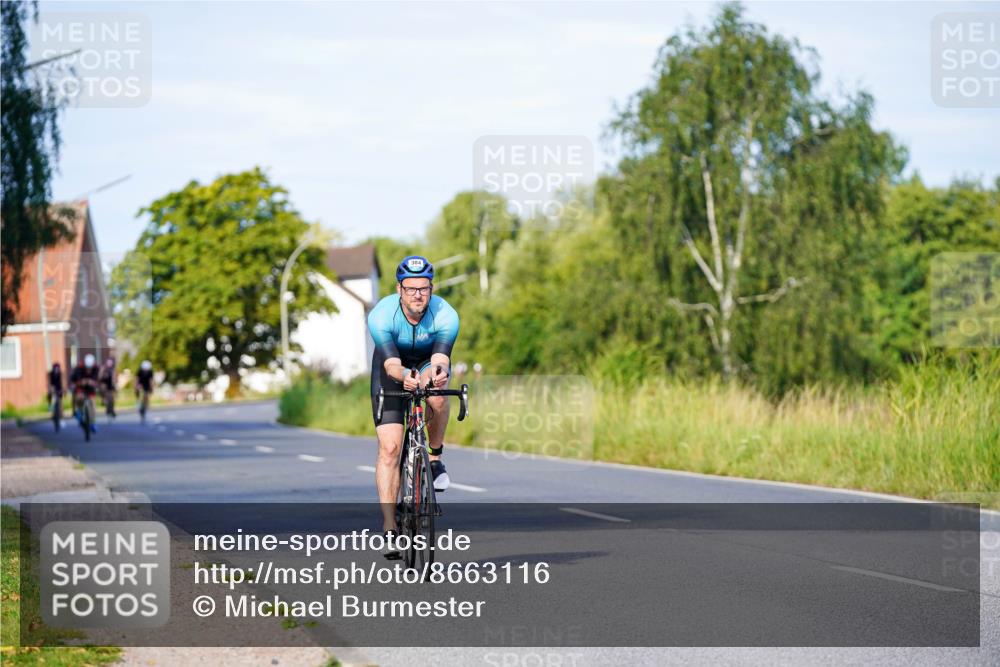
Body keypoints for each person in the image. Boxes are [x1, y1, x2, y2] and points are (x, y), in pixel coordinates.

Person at [367, 255, 459, 559]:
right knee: (390, 449)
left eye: (423, 288)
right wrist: (406, 377)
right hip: (392, 369)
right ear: (399, 289)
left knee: (438, 395)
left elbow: (441, 359)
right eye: (410, 289)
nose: (418, 295)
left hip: (425, 362)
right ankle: (390, 527)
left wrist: (436, 374)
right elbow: (392, 365)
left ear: (431, 288)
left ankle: (434, 459)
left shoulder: (445, 314)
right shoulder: (382, 315)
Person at [69, 354, 100, 432]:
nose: (88, 370)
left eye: (90, 368)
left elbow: (96, 380)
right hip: (80, 387)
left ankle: (93, 423)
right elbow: (78, 381)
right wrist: (83, 382)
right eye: (87, 368)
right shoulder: (79, 368)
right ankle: (79, 411)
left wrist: (92, 382)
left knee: (93, 403)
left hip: (90, 387)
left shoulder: (95, 368)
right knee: (79, 397)